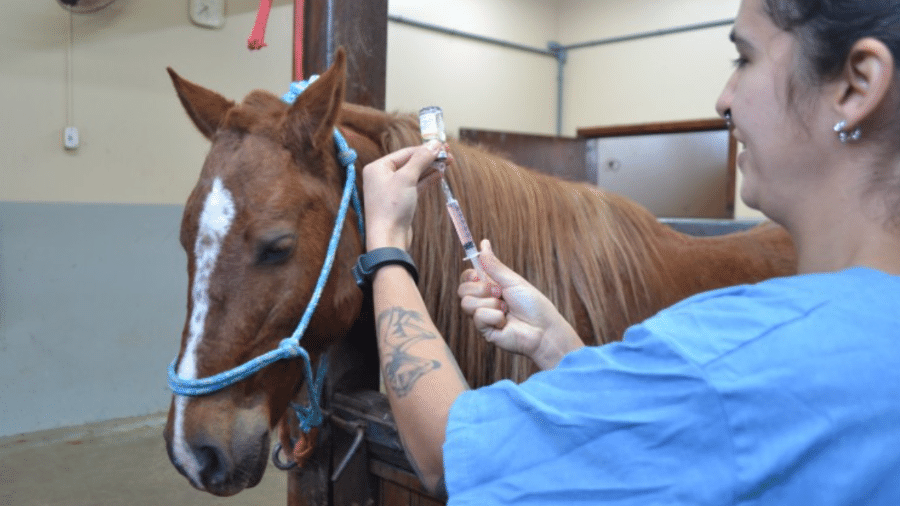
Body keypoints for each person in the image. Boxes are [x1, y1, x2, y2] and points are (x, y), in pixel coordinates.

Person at [359, 0, 900, 503]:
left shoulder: (727, 356)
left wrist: (385, 245)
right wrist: (560, 349)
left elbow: (444, 452)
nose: (724, 99)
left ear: (857, 85)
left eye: (745, 57)